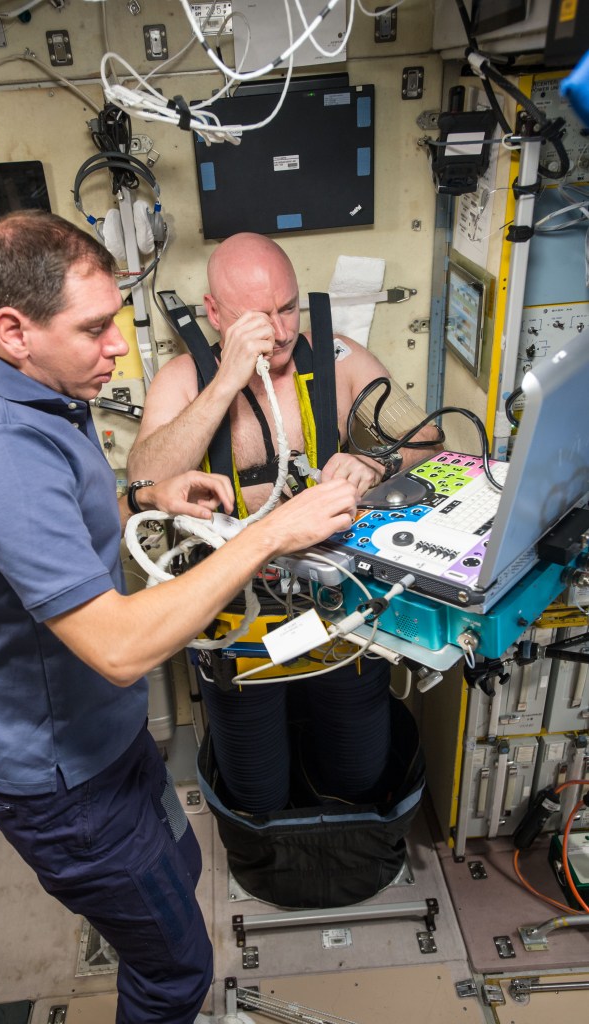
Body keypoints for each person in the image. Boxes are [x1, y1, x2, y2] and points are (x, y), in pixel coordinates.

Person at [0, 211, 359, 1024]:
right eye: (93, 329)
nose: (117, 345)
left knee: (180, 864)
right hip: (64, 784)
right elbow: (120, 649)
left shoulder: (33, 394)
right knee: (174, 971)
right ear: (13, 330)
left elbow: (56, 517)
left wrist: (142, 495)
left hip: (105, 745)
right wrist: (269, 535)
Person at [128, 232, 440, 820]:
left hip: (341, 610)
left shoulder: (338, 359)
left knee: (358, 773)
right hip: (237, 625)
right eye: (257, 316)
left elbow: (428, 442)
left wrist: (375, 462)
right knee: (257, 789)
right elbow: (143, 482)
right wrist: (225, 382)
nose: (279, 329)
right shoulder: (184, 380)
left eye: (288, 307)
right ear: (215, 313)